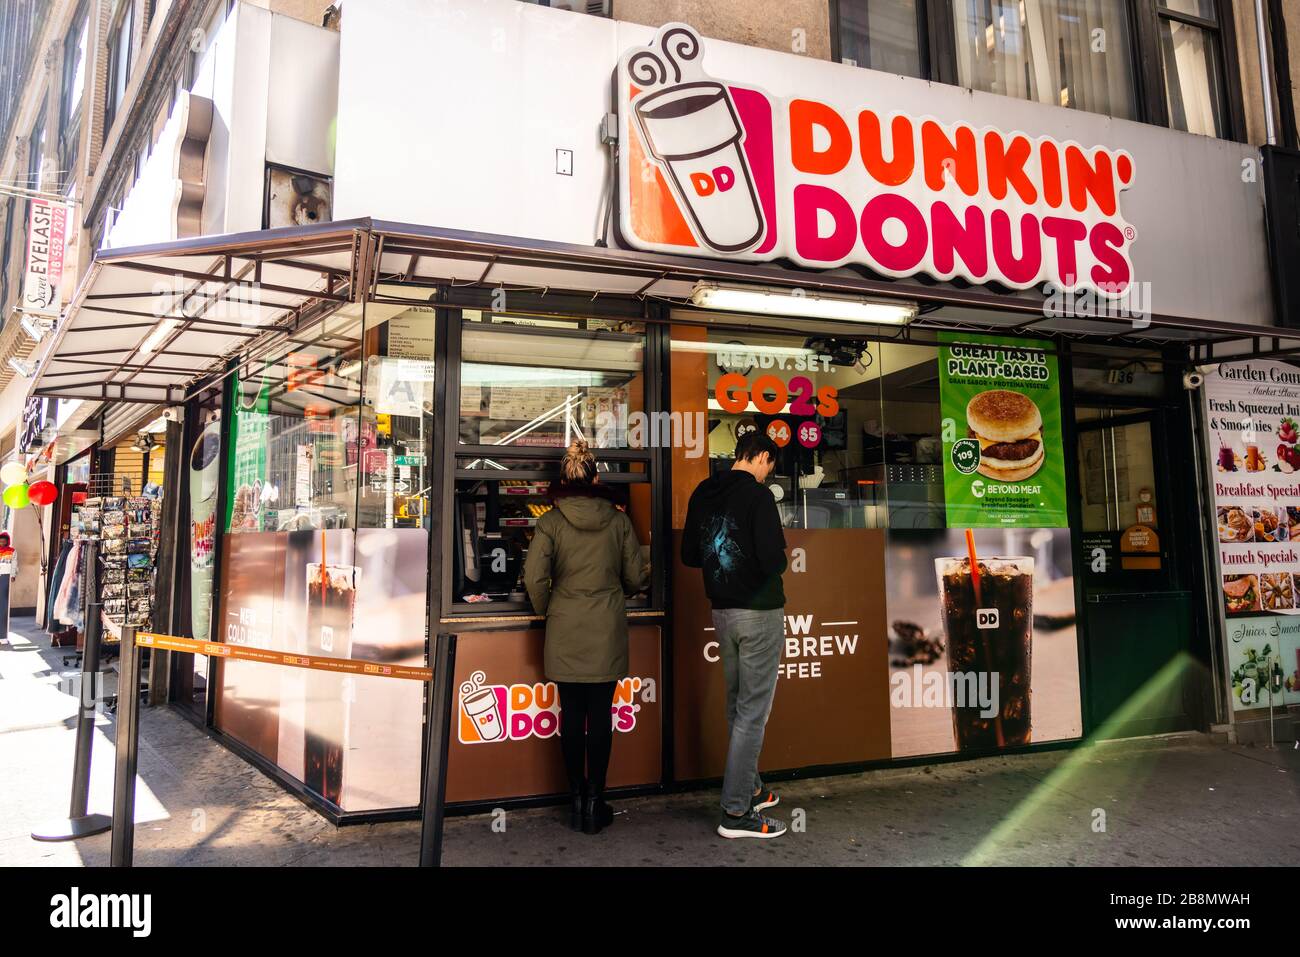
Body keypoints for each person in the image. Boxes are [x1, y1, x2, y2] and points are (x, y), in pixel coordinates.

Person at [524, 439, 649, 835]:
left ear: (564, 479)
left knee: (571, 715)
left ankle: (575, 799)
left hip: (565, 625)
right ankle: (596, 802)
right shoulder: (618, 521)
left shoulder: (551, 522)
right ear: (597, 478)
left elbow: (532, 578)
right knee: (601, 717)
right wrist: (619, 590)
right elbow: (634, 577)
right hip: (606, 626)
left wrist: (549, 607)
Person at [682, 431, 788, 839]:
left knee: (737, 706)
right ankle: (736, 813)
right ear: (761, 456)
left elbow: (690, 555)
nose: (767, 474)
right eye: (769, 465)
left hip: (722, 612)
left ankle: (753, 787)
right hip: (759, 612)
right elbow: (773, 561)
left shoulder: (704, 491)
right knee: (753, 713)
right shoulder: (759, 497)